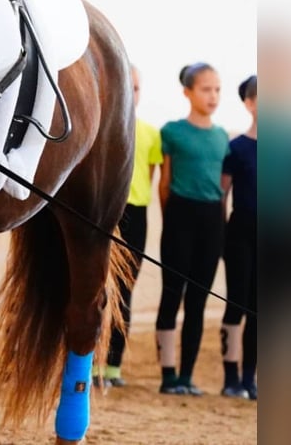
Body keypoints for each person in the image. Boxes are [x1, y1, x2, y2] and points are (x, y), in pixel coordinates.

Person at [155, 62, 229, 396]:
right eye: (205, 89)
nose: (213, 96)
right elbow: (165, 184)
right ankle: (168, 375)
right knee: (172, 294)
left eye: (217, 89)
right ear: (187, 92)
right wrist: (170, 220)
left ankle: (187, 375)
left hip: (212, 219)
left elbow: (224, 188)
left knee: (198, 300)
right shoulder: (172, 131)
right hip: (179, 217)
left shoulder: (222, 136)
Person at [99, 65, 162, 387]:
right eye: (129, 86)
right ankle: (88, 362)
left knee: (124, 293)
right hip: (103, 212)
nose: (132, 93)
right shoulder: (101, 127)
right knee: (93, 289)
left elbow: (149, 180)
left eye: (137, 88)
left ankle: (113, 366)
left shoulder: (151, 134)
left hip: (135, 215)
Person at [220, 75, 257, 399]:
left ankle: (250, 377)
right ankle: (231, 376)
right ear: (249, 103)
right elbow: (223, 194)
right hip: (240, 232)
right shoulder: (236, 148)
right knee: (236, 304)